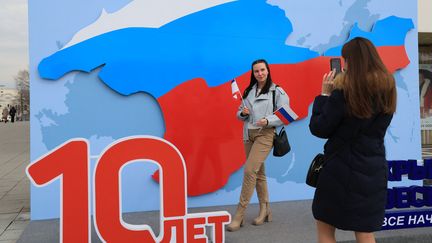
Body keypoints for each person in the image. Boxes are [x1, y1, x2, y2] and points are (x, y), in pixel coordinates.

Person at [309, 37, 396, 243]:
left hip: (340, 169)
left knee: (325, 226)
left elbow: (319, 128)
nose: (344, 64)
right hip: (373, 168)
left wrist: (324, 94)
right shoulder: (388, 88)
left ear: (351, 61)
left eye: (345, 59)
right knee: (365, 231)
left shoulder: (344, 91)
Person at [226, 59, 289, 232]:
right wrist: (243, 113)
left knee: (249, 171)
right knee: (259, 174)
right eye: (256, 71)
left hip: (265, 135)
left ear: (268, 71)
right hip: (248, 135)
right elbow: (240, 114)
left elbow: (286, 115)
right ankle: (265, 209)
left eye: (262, 70)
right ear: (253, 73)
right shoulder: (248, 91)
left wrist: (267, 120)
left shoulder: (277, 91)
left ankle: (239, 214)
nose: (259, 73)